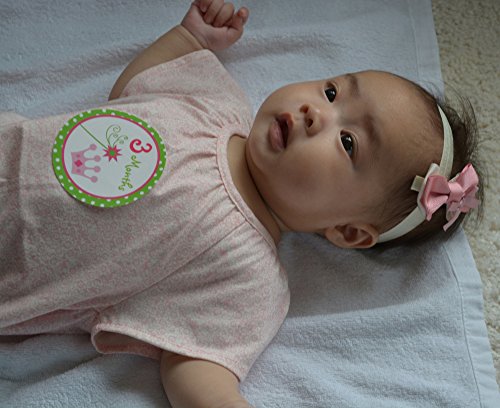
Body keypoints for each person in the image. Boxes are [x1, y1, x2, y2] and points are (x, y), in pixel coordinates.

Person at [0, 0, 482, 407]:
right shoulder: (215, 99)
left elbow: (195, 367)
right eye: (332, 92)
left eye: (349, 142)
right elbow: (133, 91)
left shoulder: (250, 279)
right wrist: (189, 38)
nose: (316, 113)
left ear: (348, 231)